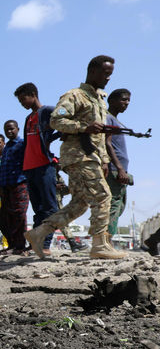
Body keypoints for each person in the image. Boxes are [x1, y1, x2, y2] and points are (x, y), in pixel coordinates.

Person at [25, 55, 126, 260]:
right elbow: (56, 120)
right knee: (102, 196)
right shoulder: (75, 95)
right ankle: (100, 245)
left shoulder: (99, 100)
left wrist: (104, 160)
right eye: (105, 74)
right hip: (78, 156)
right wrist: (82, 127)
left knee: (79, 204)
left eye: (110, 75)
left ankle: (39, 233)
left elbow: (99, 137)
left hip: (92, 156)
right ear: (92, 71)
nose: (108, 78)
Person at [15, 82, 62, 256]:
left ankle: (45, 244)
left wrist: (53, 137)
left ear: (33, 94)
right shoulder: (28, 118)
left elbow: (66, 122)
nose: (22, 104)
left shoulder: (48, 111)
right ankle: (36, 243)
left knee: (50, 207)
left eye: (23, 100)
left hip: (44, 165)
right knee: (38, 209)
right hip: (29, 167)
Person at [104, 88, 133, 238]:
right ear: (111, 101)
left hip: (119, 168)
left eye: (128, 100)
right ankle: (106, 241)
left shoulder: (115, 120)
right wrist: (120, 168)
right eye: (123, 99)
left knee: (119, 206)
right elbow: (107, 144)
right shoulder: (108, 118)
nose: (126, 103)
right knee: (113, 206)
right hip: (115, 169)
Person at [0, 121, 29, 255]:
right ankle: (11, 245)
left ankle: (19, 246)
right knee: (3, 219)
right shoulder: (7, 147)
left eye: (11, 129)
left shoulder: (22, 144)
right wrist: (0, 185)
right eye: (6, 130)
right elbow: (3, 167)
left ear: (17, 129)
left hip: (19, 184)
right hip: (6, 187)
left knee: (18, 215)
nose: (9, 131)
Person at [54, 170, 88, 252]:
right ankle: (72, 243)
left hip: (57, 203)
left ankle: (73, 243)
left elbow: (64, 191)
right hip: (50, 203)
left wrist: (68, 188)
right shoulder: (48, 174)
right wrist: (54, 186)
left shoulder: (58, 176)